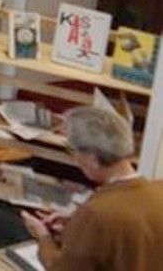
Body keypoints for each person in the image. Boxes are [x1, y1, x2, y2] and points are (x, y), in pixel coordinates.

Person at [20, 105, 163, 271]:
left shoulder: (96, 213)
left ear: (93, 158)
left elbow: (60, 267)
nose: (74, 157)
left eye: (72, 150)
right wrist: (78, 226)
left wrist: (43, 236)